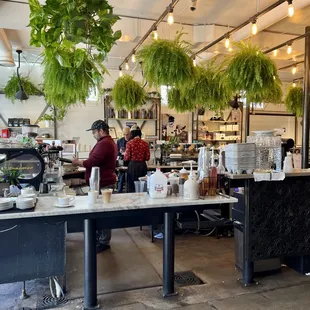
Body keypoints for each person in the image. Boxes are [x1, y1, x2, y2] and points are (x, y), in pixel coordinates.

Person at [72, 120, 117, 253]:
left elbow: (93, 161)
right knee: (101, 212)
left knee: (103, 213)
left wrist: (78, 162)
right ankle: (100, 238)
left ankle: (103, 241)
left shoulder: (104, 143)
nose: (93, 134)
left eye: (94, 132)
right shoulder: (106, 142)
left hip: (103, 182)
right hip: (101, 181)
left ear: (101, 131)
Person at [124, 125, 150, 193]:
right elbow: (147, 158)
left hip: (132, 166)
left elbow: (126, 158)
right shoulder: (145, 144)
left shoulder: (129, 143)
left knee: (132, 187)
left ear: (132, 134)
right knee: (143, 186)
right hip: (142, 166)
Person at [116, 127, 131, 193]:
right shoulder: (119, 141)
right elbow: (117, 153)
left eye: (127, 134)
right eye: (124, 134)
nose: (125, 136)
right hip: (122, 161)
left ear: (130, 134)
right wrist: (120, 151)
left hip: (130, 162)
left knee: (129, 178)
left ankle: (129, 192)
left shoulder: (132, 141)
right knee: (121, 178)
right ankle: (119, 192)